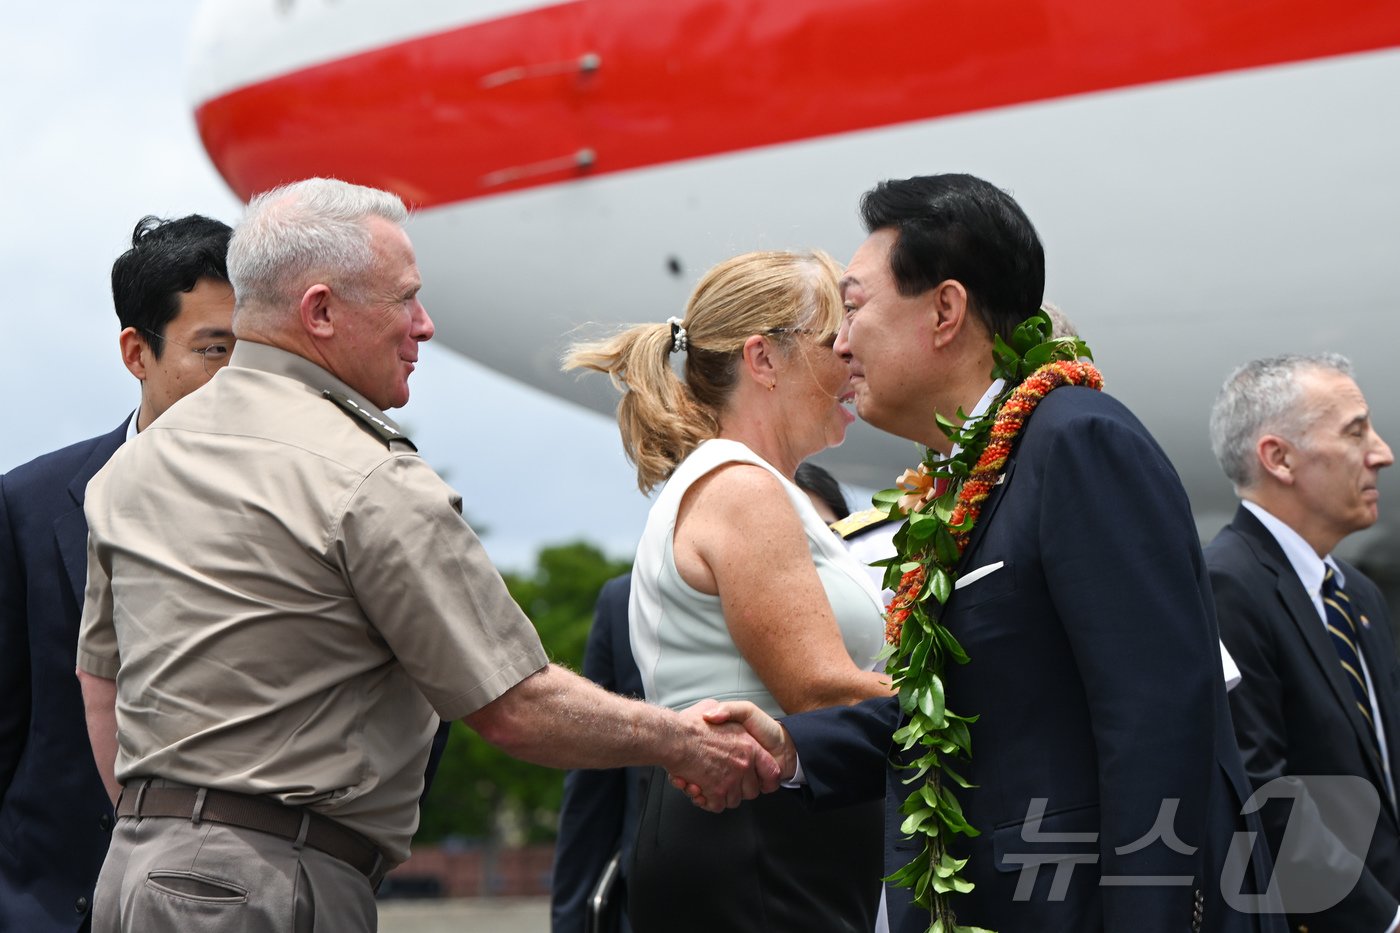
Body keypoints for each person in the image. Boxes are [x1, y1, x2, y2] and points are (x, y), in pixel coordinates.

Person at [75, 178, 778, 933]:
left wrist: (181, 841)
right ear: (320, 312)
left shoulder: (134, 464)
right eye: (405, 299)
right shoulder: (363, 475)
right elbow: (517, 707)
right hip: (268, 888)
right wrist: (686, 741)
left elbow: (100, 686)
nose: (425, 325)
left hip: (133, 875)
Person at [695, 174, 1285, 932]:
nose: (840, 343)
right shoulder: (967, 477)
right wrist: (791, 747)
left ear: (945, 311)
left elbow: (1157, 720)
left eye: (855, 307)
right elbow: (969, 707)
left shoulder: (1077, 442)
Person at [565, 250, 893, 932]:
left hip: (769, 843)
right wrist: (979, 706)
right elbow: (821, 690)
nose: (851, 354)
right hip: (761, 846)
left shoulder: (748, 485)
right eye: (833, 338)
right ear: (763, 359)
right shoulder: (741, 489)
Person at [0, 214, 234, 933]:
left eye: (257, 352)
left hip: (237, 902)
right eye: (215, 350)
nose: (241, 380)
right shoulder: (29, 505)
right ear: (137, 352)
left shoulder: (321, 502)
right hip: (54, 906)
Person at [549, 464, 852, 933]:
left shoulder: (865, 619)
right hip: (672, 887)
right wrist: (571, 920)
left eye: (816, 540)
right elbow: (592, 791)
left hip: (833, 881)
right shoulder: (628, 602)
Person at [1206, 353, 1400, 930]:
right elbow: (1263, 795)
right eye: (1355, 433)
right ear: (1279, 458)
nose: (1382, 454)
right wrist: (1383, 919)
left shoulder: (1356, 594)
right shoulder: (1225, 586)